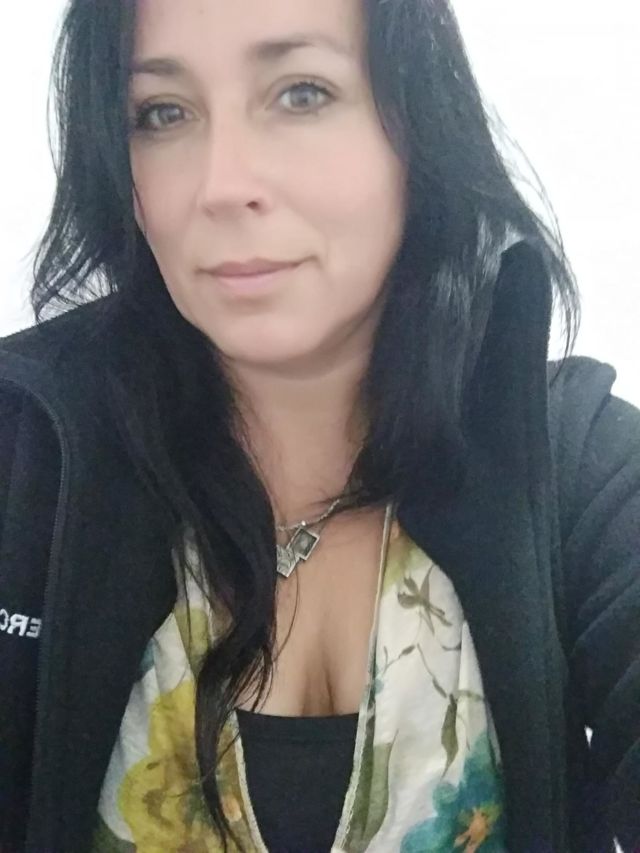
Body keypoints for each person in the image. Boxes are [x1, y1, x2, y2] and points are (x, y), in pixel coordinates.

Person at [0, 0, 638, 850]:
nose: (221, 185)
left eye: (300, 93)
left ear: (418, 125)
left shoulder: (578, 465)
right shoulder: (26, 455)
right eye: (162, 112)